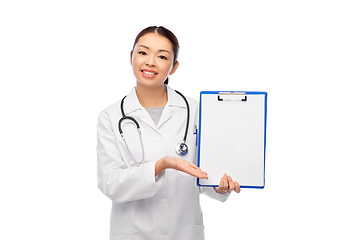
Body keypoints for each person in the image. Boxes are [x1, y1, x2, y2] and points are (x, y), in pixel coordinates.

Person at [97, 26, 241, 240]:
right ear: (131, 57)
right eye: (143, 52)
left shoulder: (197, 111)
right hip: (134, 234)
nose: (150, 62)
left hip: (183, 232)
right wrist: (160, 165)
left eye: (162, 56)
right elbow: (110, 183)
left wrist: (220, 186)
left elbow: (206, 173)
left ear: (173, 67)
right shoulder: (110, 116)